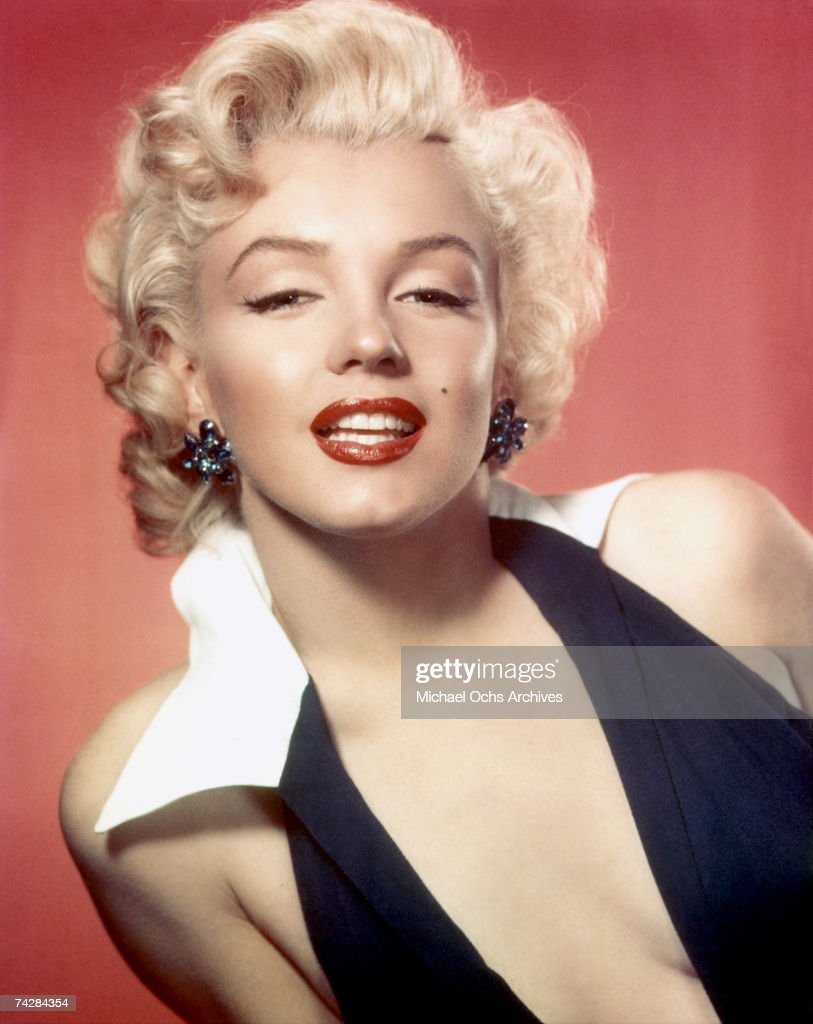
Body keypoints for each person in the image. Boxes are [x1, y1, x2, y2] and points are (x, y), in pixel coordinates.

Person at [60, 2, 812, 1022]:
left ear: (504, 349)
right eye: (285, 295)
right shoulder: (159, 810)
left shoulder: (705, 567)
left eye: (433, 292)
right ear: (187, 370)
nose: (370, 340)